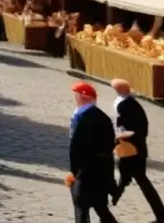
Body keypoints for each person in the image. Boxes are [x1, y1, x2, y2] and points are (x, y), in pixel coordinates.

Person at [109, 79, 164, 221]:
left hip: (132, 150)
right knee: (131, 179)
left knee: (135, 180)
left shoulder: (127, 105)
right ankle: (162, 217)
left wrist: (117, 138)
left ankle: (107, 205)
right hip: (132, 148)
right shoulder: (128, 103)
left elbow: (135, 130)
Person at [67, 81, 118, 223]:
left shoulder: (83, 118)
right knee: (100, 205)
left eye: (76, 95)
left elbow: (75, 146)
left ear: (83, 97)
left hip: (85, 170)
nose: (74, 97)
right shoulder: (102, 117)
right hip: (102, 169)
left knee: (81, 206)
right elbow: (110, 145)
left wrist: (73, 170)